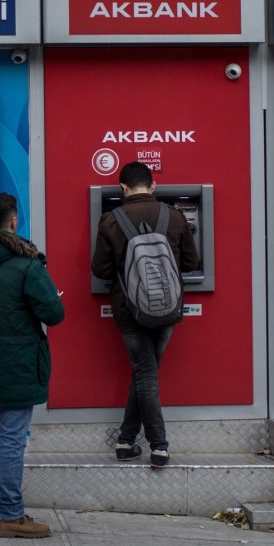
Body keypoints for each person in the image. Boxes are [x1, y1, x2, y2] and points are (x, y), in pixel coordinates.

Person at [0, 193, 64, 538]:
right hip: (18, 361)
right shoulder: (27, 263)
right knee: (12, 440)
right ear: (14, 222)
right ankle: (11, 515)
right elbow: (53, 313)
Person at [91, 162, 199, 468]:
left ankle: (155, 446)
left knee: (144, 375)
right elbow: (192, 262)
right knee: (146, 375)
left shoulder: (111, 220)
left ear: (122, 188)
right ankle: (130, 442)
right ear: (152, 186)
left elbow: (100, 270)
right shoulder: (175, 217)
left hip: (130, 311)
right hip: (167, 308)